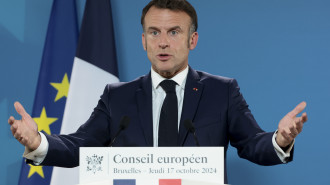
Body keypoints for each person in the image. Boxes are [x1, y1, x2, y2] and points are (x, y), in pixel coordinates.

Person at [8, 0, 308, 183]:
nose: (163, 42)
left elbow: (253, 145)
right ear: (143, 40)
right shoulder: (117, 96)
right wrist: (38, 142)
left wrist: (280, 140)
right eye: (154, 32)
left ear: (193, 40)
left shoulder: (222, 92)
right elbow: (80, 147)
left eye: (174, 32)